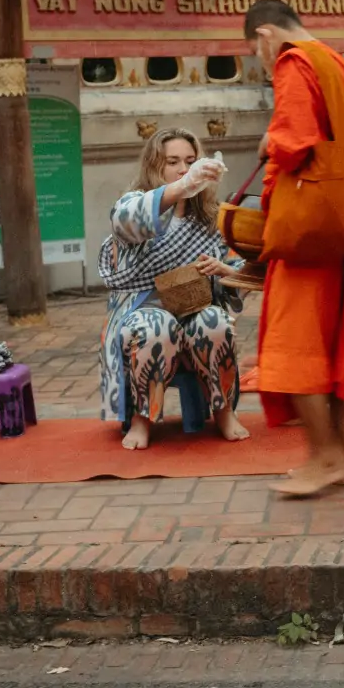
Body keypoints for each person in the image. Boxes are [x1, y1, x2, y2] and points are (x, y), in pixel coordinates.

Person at [247, 0, 344, 497]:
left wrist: (268, 144)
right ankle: (337, 458)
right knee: (342, 346)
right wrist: (340, 206)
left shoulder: (293, 60)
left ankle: (327, 457)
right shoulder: (343, 68)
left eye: (255, 52)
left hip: (309, 241)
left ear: (267, 35)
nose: (262, 63)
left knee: (294, 345)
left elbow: (293, 143)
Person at [96, 127, 249, 450]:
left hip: (194, 310)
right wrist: (183, 187)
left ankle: (222, 411)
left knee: (215, 323)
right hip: (142, 313)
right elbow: (124, 220)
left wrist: (223, 271)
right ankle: (142, 418)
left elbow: (238, 274)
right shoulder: (136, 203)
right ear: (155, 166)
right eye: (173, 162)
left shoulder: (210, 217)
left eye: (191, 161)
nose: (183, 169)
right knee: (156, 327)